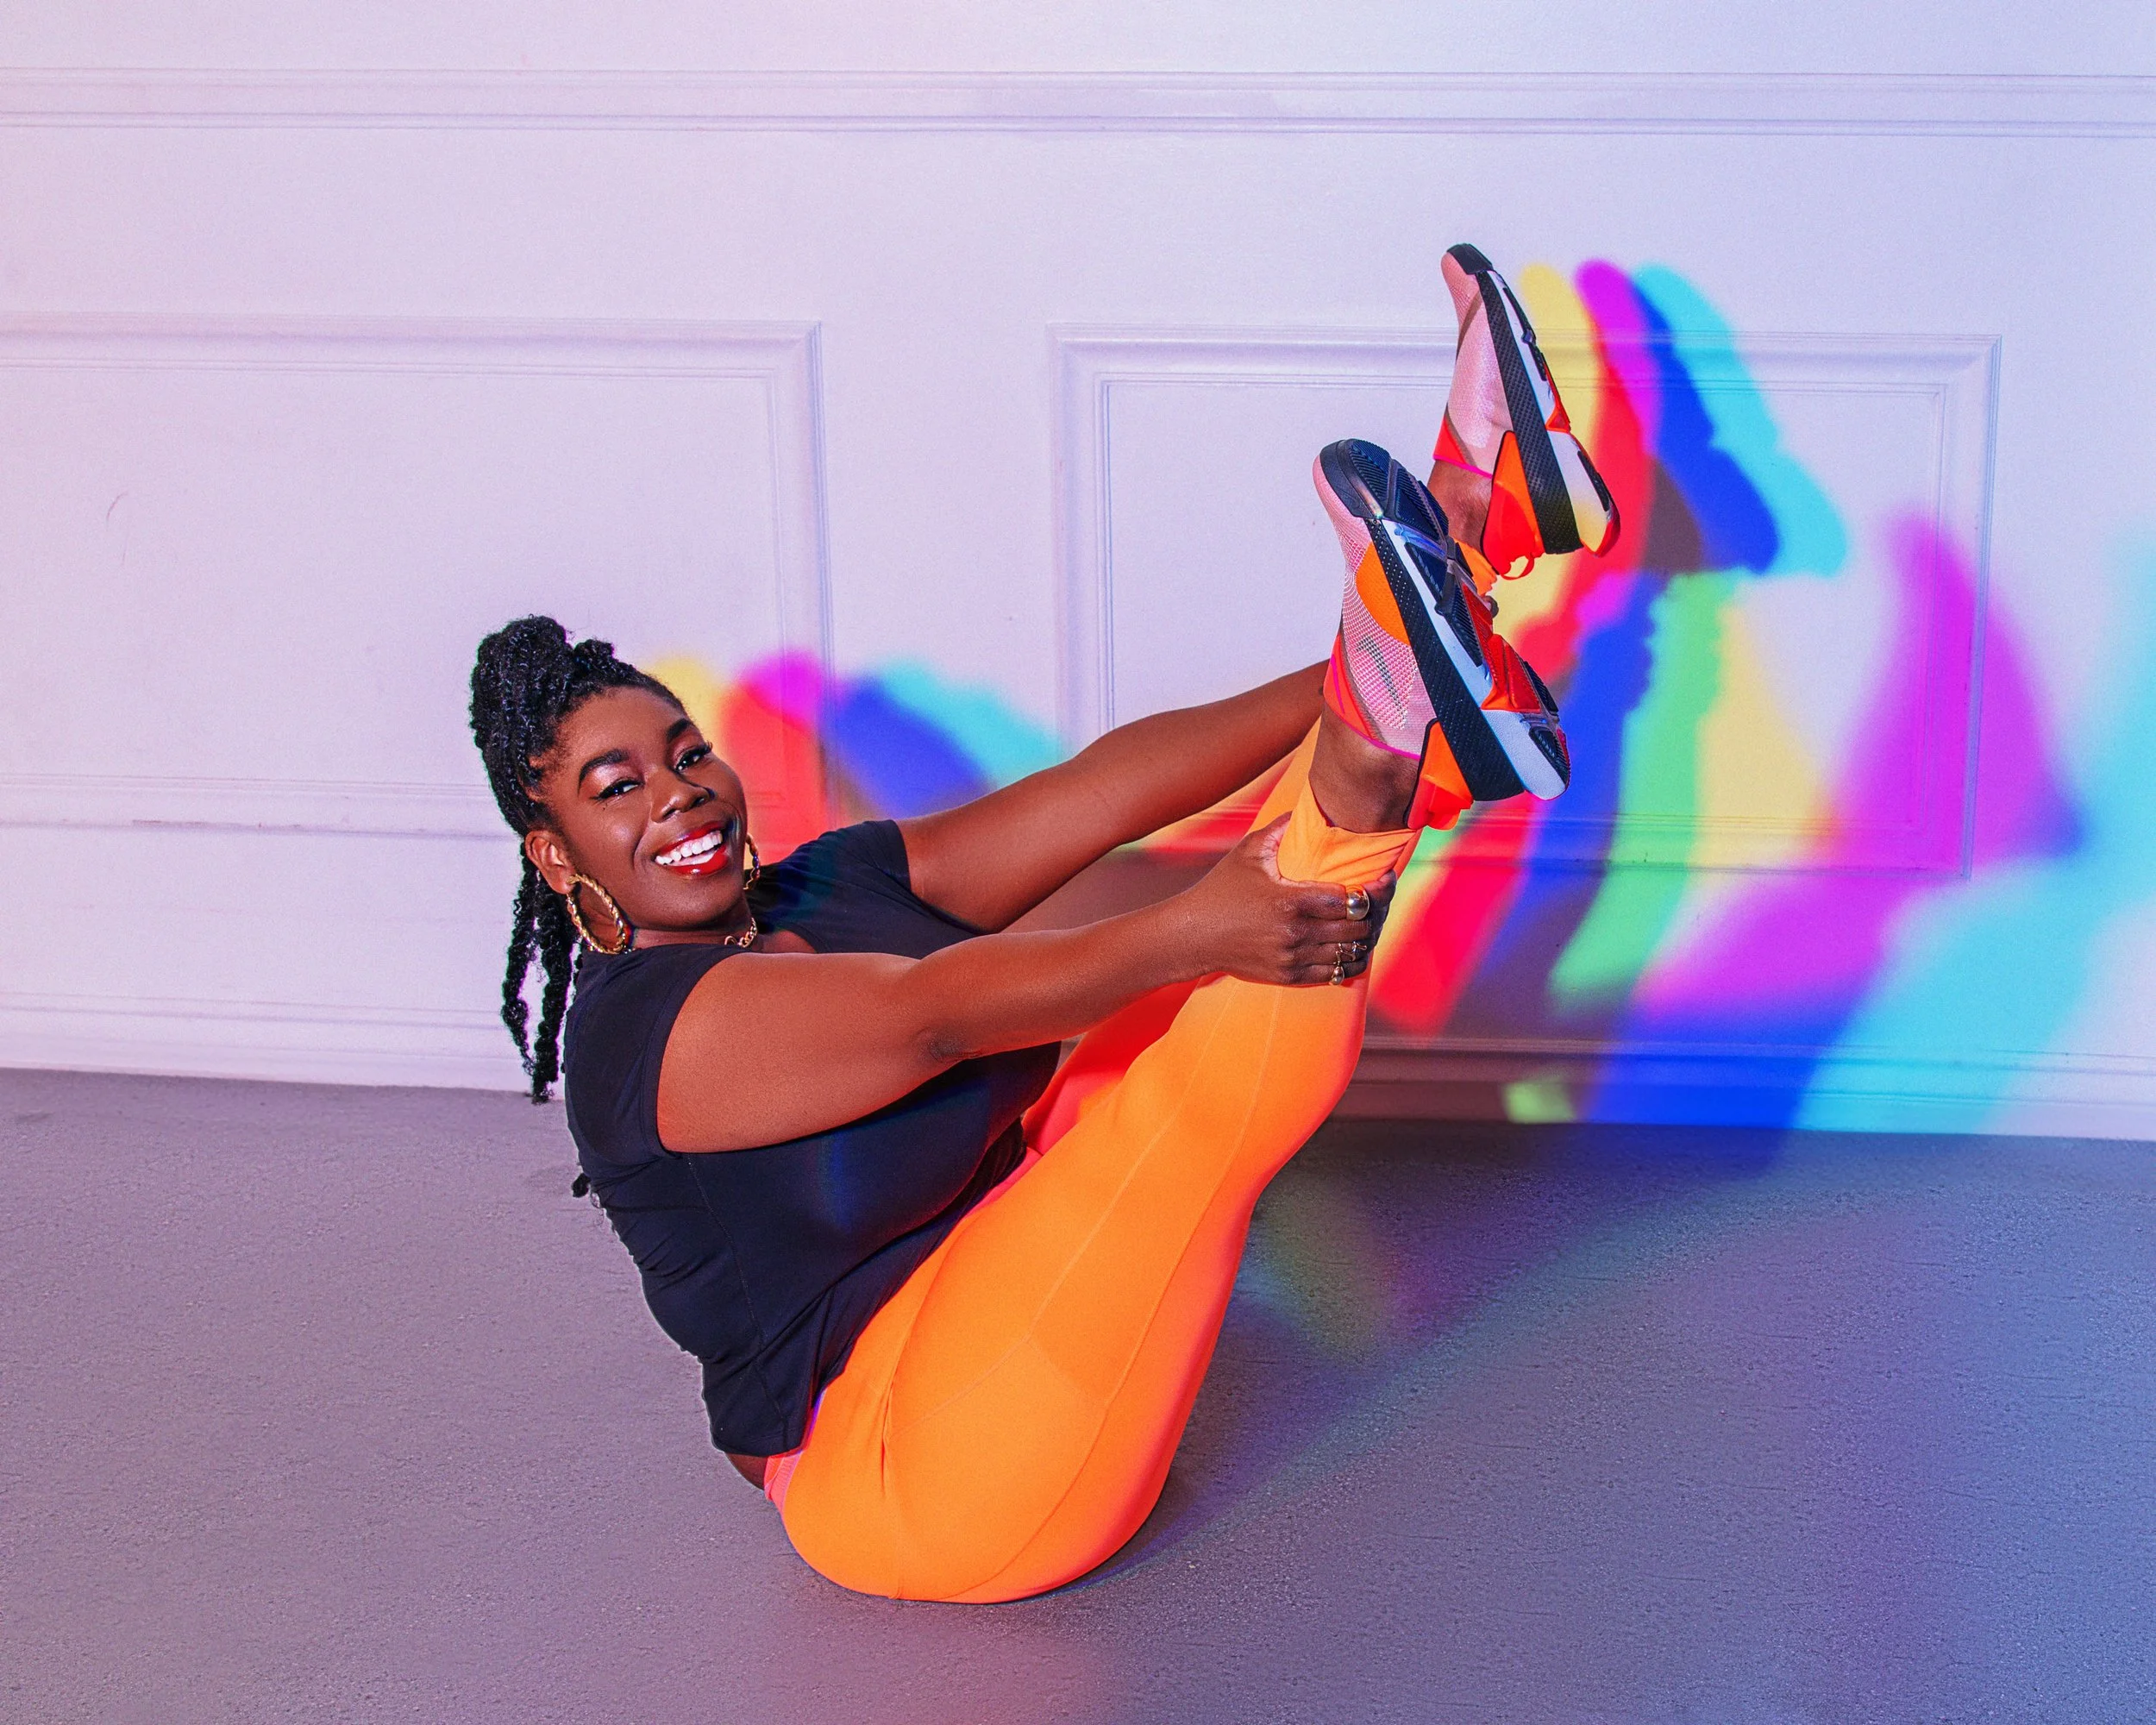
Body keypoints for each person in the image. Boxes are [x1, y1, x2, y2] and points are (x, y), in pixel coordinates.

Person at [466, 247, 1614, 1603]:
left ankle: (1454, 579)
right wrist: (1202, 926)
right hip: (910, 1477)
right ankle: (1387, 725)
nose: (683, 794)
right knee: (1178, 1020)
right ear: (555, 855)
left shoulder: (821, 889)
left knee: (1161, 975)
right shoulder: (645, 1045)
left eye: (684, 750)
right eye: (619, 791)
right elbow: (936, 1012)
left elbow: (1097, 789)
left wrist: (1373, 653)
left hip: (1013, 1310)